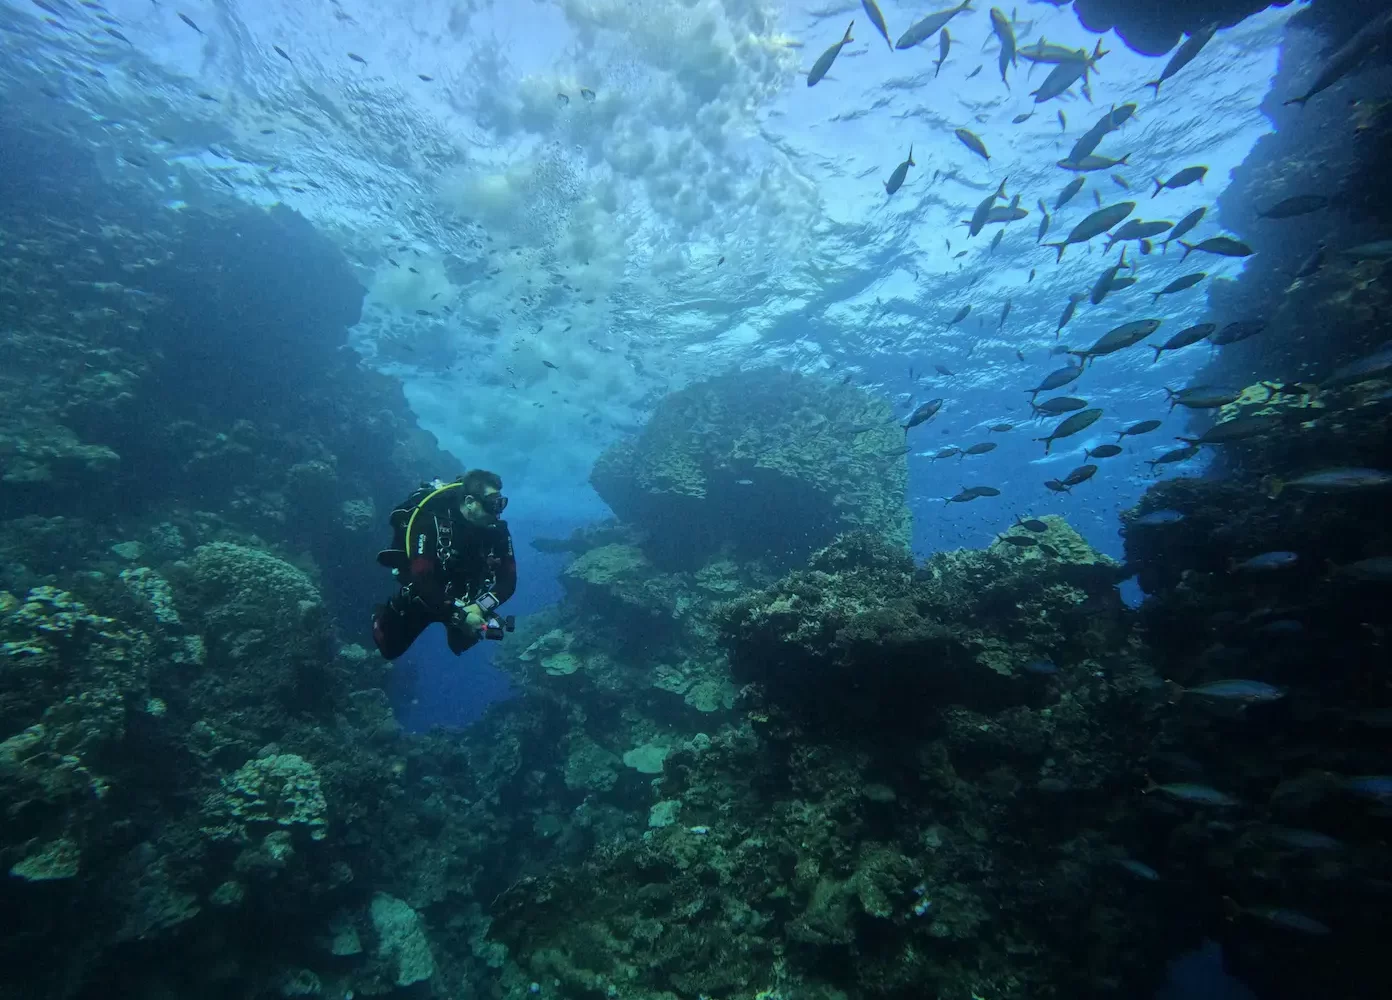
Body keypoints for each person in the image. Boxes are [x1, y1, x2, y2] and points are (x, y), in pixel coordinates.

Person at [371, 469, 516, 659]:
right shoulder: (430, 520)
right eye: (492, 504)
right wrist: (459, 616)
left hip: (466, 594)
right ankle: (382, 616)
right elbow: (421, 578)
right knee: (389, 649)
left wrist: (480, 606)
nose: (498, 512)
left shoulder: (497, 530)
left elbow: (508, 581)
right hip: (427, 593)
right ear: (470, 502)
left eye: (501, 503)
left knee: (462, 643)